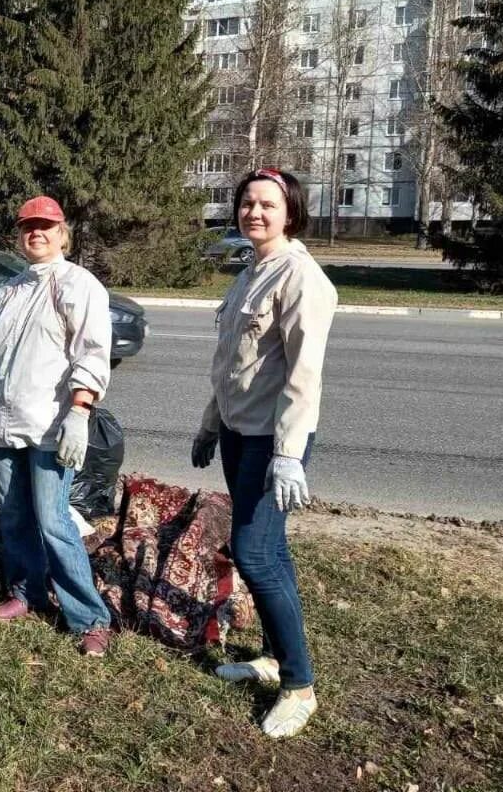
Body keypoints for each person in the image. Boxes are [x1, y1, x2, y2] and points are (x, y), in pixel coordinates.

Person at [190, 168, 338, 739]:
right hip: (236, 432)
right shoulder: (249, 273)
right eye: (247, 203)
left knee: (252, 554)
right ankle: (276, 657)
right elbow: (232, 366)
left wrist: (289, 455)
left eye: (267, 204)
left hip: (274, 442)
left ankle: (299, 686)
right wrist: (209, 425)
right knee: (271, 551)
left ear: (290, 212)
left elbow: (305, 378)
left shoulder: (303, 278)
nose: (255, 212)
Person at [0, 195, 113, 657]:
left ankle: (89, 617)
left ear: (63, 234)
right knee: (16, 515)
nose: (36, 234)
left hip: (51, 426)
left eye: (46, 226)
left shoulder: (79, 285)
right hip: (5, 424)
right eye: (28, 227)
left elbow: (92, 353)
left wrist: (79, 413)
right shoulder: (11, 291)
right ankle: (27, 593)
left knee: (53, 520)